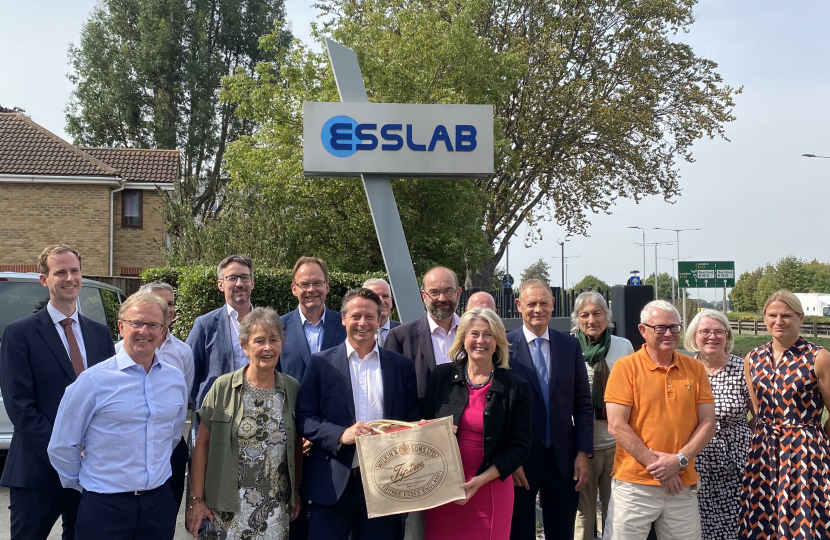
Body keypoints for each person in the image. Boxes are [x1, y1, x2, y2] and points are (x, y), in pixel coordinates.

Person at [48, 291, 187, 539]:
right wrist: (87, 486)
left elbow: (173, 436)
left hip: (158, 505)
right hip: (105, 508)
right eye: (136, 323)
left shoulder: (175, 379)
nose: (144, 331)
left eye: (153, 325)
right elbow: (62, 445)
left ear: (163, 330)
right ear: (121, 327)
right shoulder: (92, 381)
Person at [0, 244, 115, 540]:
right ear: (44, 280)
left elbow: (107, 399)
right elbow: (19, 406)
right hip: (37, 469)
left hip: (88, 473)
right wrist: (64, 451)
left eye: (74, 271)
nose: (69, 278)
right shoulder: (19, 333)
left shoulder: (98, 333)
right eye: (60, 272)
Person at [296, 288, 419, 540]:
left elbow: (411, 420)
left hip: (388, 484)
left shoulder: (402, 366)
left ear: (380, 319)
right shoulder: (320, 364)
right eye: (355, 316)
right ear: (343, 319)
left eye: (369, 317)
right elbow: (304, 417)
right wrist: (341, 434)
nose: (362, 323)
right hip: (332, 485)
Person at [603, 300, 716, 540]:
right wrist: (662, 469)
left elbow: (708, 423)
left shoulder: (695, 369)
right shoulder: (625, 368)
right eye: (660, 328)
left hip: (681, 485)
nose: (668, 333)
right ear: (643, 330)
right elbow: (617, 426)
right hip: (635, 486)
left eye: (674, 327)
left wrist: (679, 460)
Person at [186, 307, 302, 539]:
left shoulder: (291, 388)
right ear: (245, 346)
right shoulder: (222, 386)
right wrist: (196, 500)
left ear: (281, 345)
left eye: (273, 340)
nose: (267, 347)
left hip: (275, 509)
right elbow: (202, 445)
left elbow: (297, 444)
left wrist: (296, 492)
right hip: (225, 507)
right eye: (259, 341)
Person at [422, 308, 532, 540]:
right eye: (474, 334)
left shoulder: (516, 386)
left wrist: (480, 481)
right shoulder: (441, 376)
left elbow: (519, 447)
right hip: (443, 489)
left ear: (498, 341)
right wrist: (435, 432)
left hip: (490, 487)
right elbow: (422, 425)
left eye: (488, 335)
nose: (480, 341)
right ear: (462, 338)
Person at [739, 290, 830, 538]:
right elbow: (757, 412)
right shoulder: (753, 358)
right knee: (763, 521)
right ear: (764, 318)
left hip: (804, 453)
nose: (778, 321)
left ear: (800, 318)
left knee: (802, 521)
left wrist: (815, 440)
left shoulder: (818, 357)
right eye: (772, 315)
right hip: (763, 450)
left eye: (786, 315)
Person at [506, 279, 593, 540]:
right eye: (531, 303)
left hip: (564, 458)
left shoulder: (570, 345)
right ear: (518, 305)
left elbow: (582, 403)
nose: (538, 309)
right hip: (521, 460)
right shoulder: (504, 347)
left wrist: (582, 453)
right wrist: (508, 461)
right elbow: (497, 409)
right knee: (520, 532)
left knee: (562, 532)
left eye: (544, 303)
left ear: (553, 305)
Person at [115, 280, 194, 514]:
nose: (166, 309)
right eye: (158, 303)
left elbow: (182, 403)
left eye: (169, 304)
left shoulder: (183, 351)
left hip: (169, 451)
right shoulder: (116, 351)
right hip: (126, 455)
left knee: (163, 520)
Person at [681, 309, 751, 540]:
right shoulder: (684, 369)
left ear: (728, 337)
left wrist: (741, 437)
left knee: (736, 523)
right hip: (695, 460)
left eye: (718, 332)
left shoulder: (743, 369)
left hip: (736, 462)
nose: (712, 337)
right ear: (694, 337)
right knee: (696, 525)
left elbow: (760, 414)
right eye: (705, 332)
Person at [571, 291, 634, 540]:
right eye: (584, 314)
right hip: (582, 448)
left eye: (597, 313)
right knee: (583, 515)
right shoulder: (569, 346)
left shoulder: (623, 346)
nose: (591, 320)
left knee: (616, 513)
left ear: (607, 317)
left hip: (617, 446)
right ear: (577, 318)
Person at [189, 254, 256, 408]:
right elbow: (190, 374)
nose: (239, 283)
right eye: (232, 278)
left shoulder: (267, 323)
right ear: (221, 285)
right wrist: (205, 404)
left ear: (252, 283)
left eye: (245, 277)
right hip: (217, 415)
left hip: (258, 411)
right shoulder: (205, 325)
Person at [386, 266, 462, 399]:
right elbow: (392, 392)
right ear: (423, 296)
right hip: (421, 419)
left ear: (458, 293)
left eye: (448, 291)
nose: (442, 298)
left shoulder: (475, 336)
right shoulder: (400, 337)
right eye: (434, 292)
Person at [279, 257, 347, 383]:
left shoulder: (345, 325)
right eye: (304, 284)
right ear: (294, 289)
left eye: (317, 283)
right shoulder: (278, 327)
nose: (311, 289)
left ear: (327, 287)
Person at [363, 277, 400, 347]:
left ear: (391, 300)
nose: (381, 301)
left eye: (385, 296)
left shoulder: (404, 332)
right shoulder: (355, 333)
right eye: (375, 297)